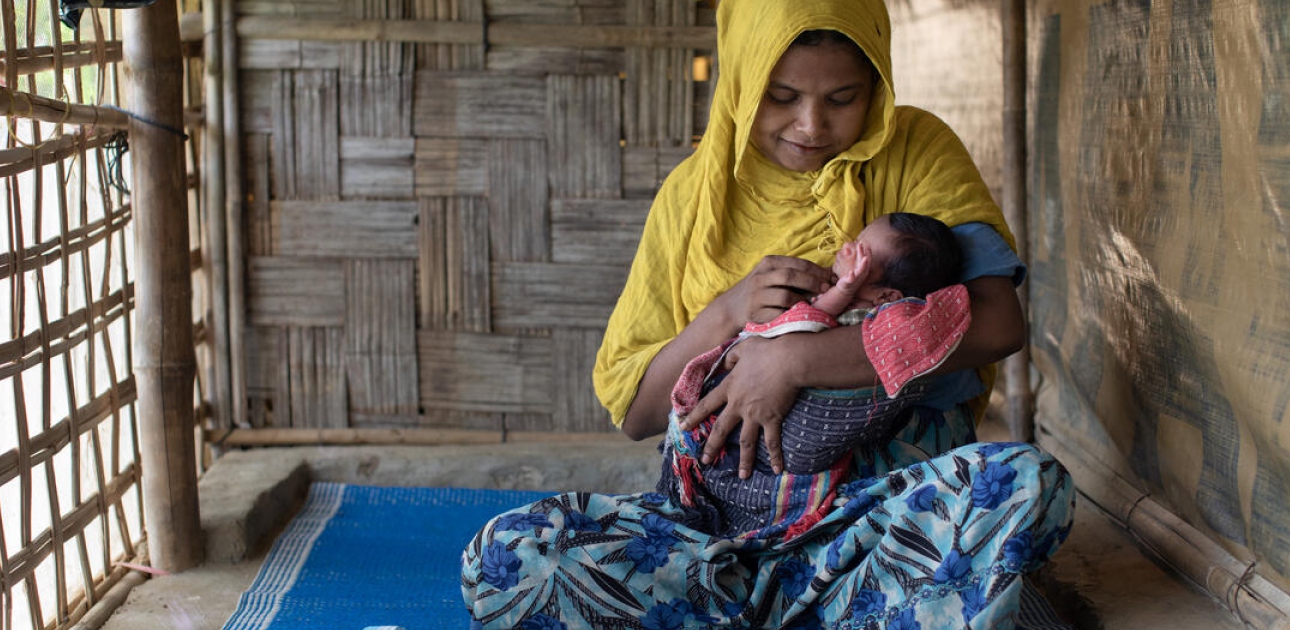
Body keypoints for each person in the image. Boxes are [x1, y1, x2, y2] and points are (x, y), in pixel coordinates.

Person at [461, 1, 1075, 628]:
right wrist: (727, 312)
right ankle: (818, 611)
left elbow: (998, 323)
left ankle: (765, 611)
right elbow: (638, 413)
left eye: (843, 97)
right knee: (511, 556)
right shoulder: (691, 198)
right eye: (780, 95)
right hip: (712, 535)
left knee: (1024, 484)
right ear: (741, 81)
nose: (811, 124)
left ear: (879, 87)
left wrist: (790, 360)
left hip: (874, 523)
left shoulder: (914, 149)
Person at [661, 212, 978, 540]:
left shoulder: (885, 324)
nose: (845, 248)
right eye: (853, 241)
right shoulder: (847, 302)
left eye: (860, 251)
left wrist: (843, 289)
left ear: (887, 298)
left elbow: (817, 318)